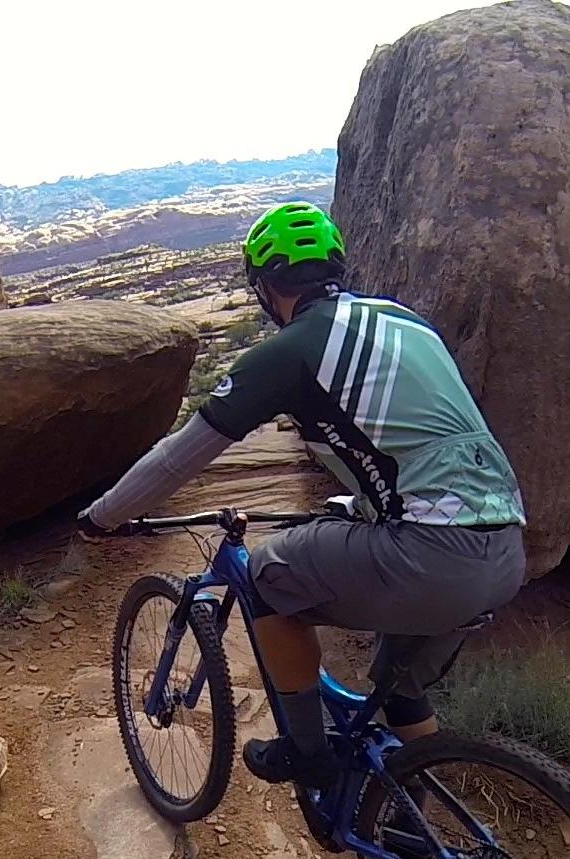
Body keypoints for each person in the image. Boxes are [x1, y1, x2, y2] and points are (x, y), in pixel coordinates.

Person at [78, 201, 526, 789]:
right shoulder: (406, 321)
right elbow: (417, 442)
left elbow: (178, 457)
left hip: (432, 557)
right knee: (400, 687)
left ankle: (308, 755)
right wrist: (366, 507)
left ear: (265, 287)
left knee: (266, 579)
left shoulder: (292, 350)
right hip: (505, 548)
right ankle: (425, 812)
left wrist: (103, 516)